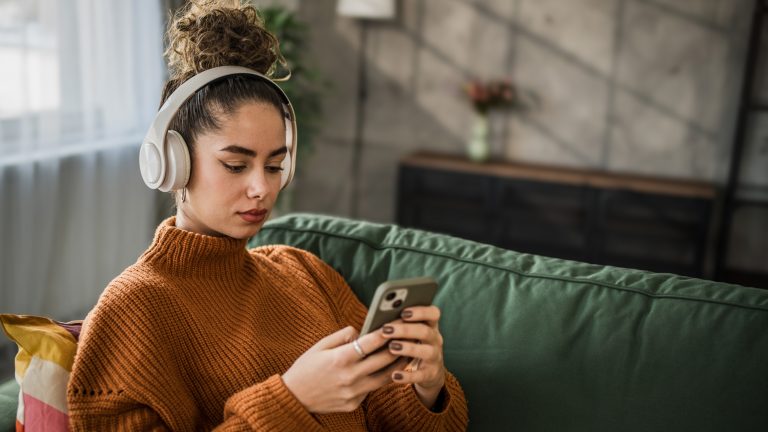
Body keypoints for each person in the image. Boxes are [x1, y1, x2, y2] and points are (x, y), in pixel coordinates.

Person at [66, 1, 469, 430]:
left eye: (275, 166)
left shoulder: (303, 273)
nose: (262, 187)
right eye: (236, 165)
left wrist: (427, 385)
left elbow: (394, 417)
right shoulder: (132, 311)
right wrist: (293, 399)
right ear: (171, 164)